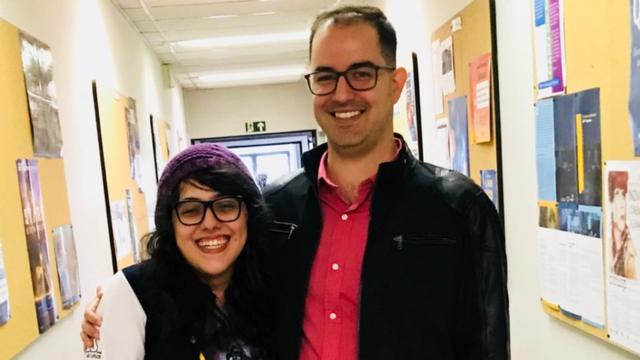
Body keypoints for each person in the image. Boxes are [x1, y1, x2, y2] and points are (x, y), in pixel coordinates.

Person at [83, 5, 509, 359]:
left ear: (396, 84)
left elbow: (486, 346)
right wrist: (120, 298)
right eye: (325, 77)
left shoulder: (458, 209)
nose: (342, 93)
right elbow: (211, 277)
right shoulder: (275, 211)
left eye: (361, 73)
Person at [82, 143, 273, 359]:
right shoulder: (131, 295)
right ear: (169, 223)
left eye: (226, 206)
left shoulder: (278, 285)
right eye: (190, 210)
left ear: (249, 214)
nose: (209, 223)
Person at [608, 171, 637, 279]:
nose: (622, 204)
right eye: (617, 194)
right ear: (610, 203)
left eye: (624, 195)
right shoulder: (607, 243)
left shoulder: (632, 250)